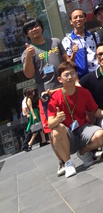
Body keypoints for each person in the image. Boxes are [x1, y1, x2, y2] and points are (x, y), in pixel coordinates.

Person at [46, 61, 103, 178]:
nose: (70, 77)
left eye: (72, 73)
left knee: (100, 135)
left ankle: (84, 152)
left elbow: (94, 110)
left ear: (76, 74)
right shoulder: (55, 98)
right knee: (56, 130)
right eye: (66, 75)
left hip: (82, 128)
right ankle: (68, 163)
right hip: (67, 134)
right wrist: (57, 119)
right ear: (60, 79)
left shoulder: (84, 92)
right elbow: (50, 123)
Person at [22, 18, 68, 174]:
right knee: (51, 129)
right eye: (30, 28)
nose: (34, 29)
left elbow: (67, 62)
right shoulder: (28, 52)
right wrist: (29, 57)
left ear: (41, 27)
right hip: (46, 95)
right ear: (27, 34)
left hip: (64, 89)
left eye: (36, 26)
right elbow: (29, 74)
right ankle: (62, 161)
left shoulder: (55, 42)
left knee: (75, 119)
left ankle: (86, 150)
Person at [62, 9, 99, 78]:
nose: (78, 19)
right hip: (81, 76)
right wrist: (74, 53)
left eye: (81, 16)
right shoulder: (68, 40)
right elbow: (69, 63)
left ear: (85, 19)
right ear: (71, 22)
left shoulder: (94, 36)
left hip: (97, 72)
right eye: (75, 17)